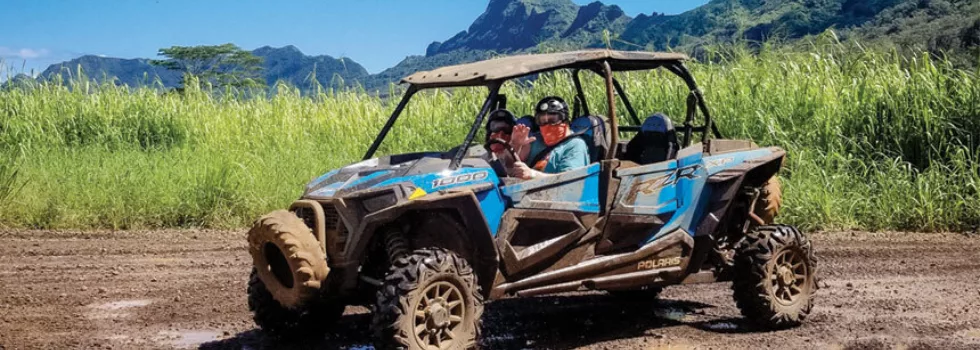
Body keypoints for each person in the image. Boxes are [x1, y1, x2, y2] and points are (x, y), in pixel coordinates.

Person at [507, 96, 590, 179]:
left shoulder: (575, 145)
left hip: (557, 191)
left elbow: (570, 180)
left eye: (553, 120)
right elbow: (508, 167)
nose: (547, 125)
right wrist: (515, 144)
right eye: (542, 121)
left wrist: (532, 174)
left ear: (564, 119)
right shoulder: (535, 140)